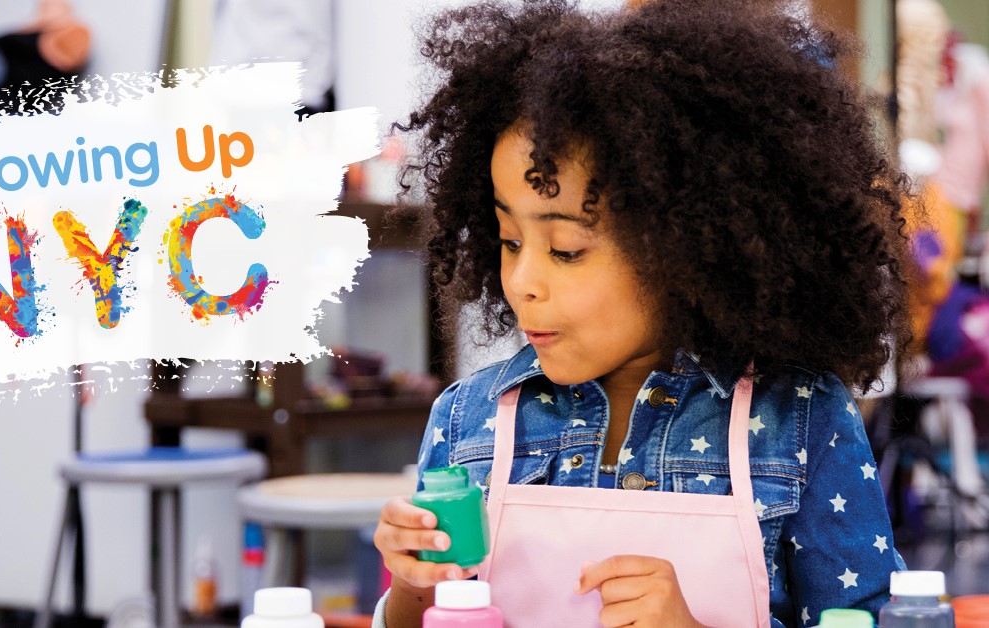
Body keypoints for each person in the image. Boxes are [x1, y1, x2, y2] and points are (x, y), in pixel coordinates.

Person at [371, 0, 914, 626]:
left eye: (566, 250)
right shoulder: (466, 422)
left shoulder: (801, 422)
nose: (522, 282)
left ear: (683, 250)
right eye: (509, 241)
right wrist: (413, 588)